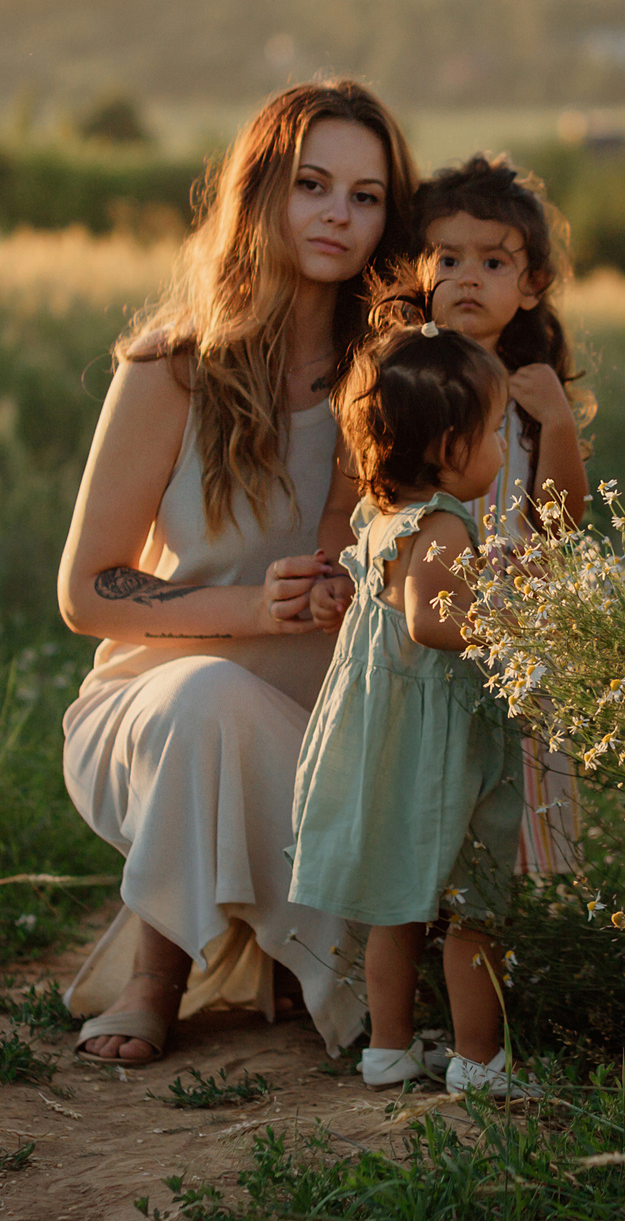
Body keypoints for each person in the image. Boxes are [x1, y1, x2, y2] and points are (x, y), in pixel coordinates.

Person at [56, 81, 417, 1065]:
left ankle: (313, 958)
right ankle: (154, 980)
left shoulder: (395, 377)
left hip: (320, 711)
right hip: (153, 705)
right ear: (261, 194)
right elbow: (87, 591)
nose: (338, 213)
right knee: (210, 699)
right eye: (312, 184)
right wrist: (253, 607)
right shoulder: (169, 366)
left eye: (365, 194)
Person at [287, 317, 537, 1099]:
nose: (501, 452)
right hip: (440, 756)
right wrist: (507, 628)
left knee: (396, 905)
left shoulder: (382, 516)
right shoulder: (442, 526)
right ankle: (478, 1059)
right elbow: (433, 621)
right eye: (494, 434)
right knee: (472, 906)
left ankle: (389, 1050)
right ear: (452, 449)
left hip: (387, 744)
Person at [408, 154, 589, 874]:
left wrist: (562, 427)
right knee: (436, 786)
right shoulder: (408, 376)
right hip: (430, 628)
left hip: (518, 625)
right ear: (419, 271)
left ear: (532, 282)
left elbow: (560, 523)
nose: (468, 276)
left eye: (493, 261)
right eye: (447, 257)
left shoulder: (530, 390)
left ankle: (522, 920)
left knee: (520, 775)